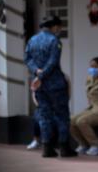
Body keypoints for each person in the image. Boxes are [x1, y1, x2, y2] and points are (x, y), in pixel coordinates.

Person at [24, 16, 75, 157]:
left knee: (44, 115)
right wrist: (42, 75)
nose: (59, 30)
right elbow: (53, 62)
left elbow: (27, 59)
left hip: (40, 86)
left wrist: (36, 72)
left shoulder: (32, 40)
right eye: (59, 27)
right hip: (55, 85)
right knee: (62, 115)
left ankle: (47, 148)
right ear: (54, 26)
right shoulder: (54, 40)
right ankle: (64, 148)